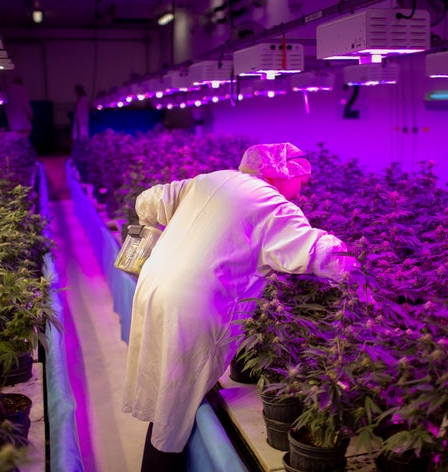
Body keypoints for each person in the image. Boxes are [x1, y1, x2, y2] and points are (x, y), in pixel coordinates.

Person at [122, 142, 358, 471]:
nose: (300, 192)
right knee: (176, 404)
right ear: (282, 175)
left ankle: (158, 446)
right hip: (193, 303)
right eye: (300, 182)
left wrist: (167, 226)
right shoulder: (273, 205)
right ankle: (160, 464)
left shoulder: (209, 180)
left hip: (153, 283)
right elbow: (315, 251)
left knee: (162, 380)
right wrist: (358, 261)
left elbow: (148, 200)